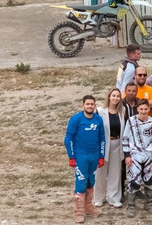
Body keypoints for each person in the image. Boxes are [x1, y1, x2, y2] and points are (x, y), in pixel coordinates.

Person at [64, 95, 106, 223]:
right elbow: (68, 138)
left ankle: (88, 206)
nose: (90, 106)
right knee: (81, 183)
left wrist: (101, 156)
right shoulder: (76, 119)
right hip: (80, 156)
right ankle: (79, 212)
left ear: (95, 105)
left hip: (94, 156)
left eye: (92, 104)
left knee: (91, 182)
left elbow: (102, 139)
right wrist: (71, 157)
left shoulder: (98, 120)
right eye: (87, 104)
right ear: (83, 105)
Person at [122, 99, 152, 217]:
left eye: (145, 109)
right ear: (137, 109)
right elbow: (125, 138)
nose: (143, 112)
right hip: (134, 155)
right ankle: (131, 206)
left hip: (148, 155)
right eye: (141, 109)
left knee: (149, 180)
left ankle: (149, 203)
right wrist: (127, 155)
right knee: (134, 181)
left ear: (149, 109)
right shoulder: (131, 122)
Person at [94, 88, 125, 208]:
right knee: (100, 172)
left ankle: (114, 198)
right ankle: (99, 197)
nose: (115, 98)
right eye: (113, 96)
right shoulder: (100, 111)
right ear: (109, 97)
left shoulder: (122, 111)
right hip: (103, 144)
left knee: (115, 172)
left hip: (117, 143)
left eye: (118, 96)